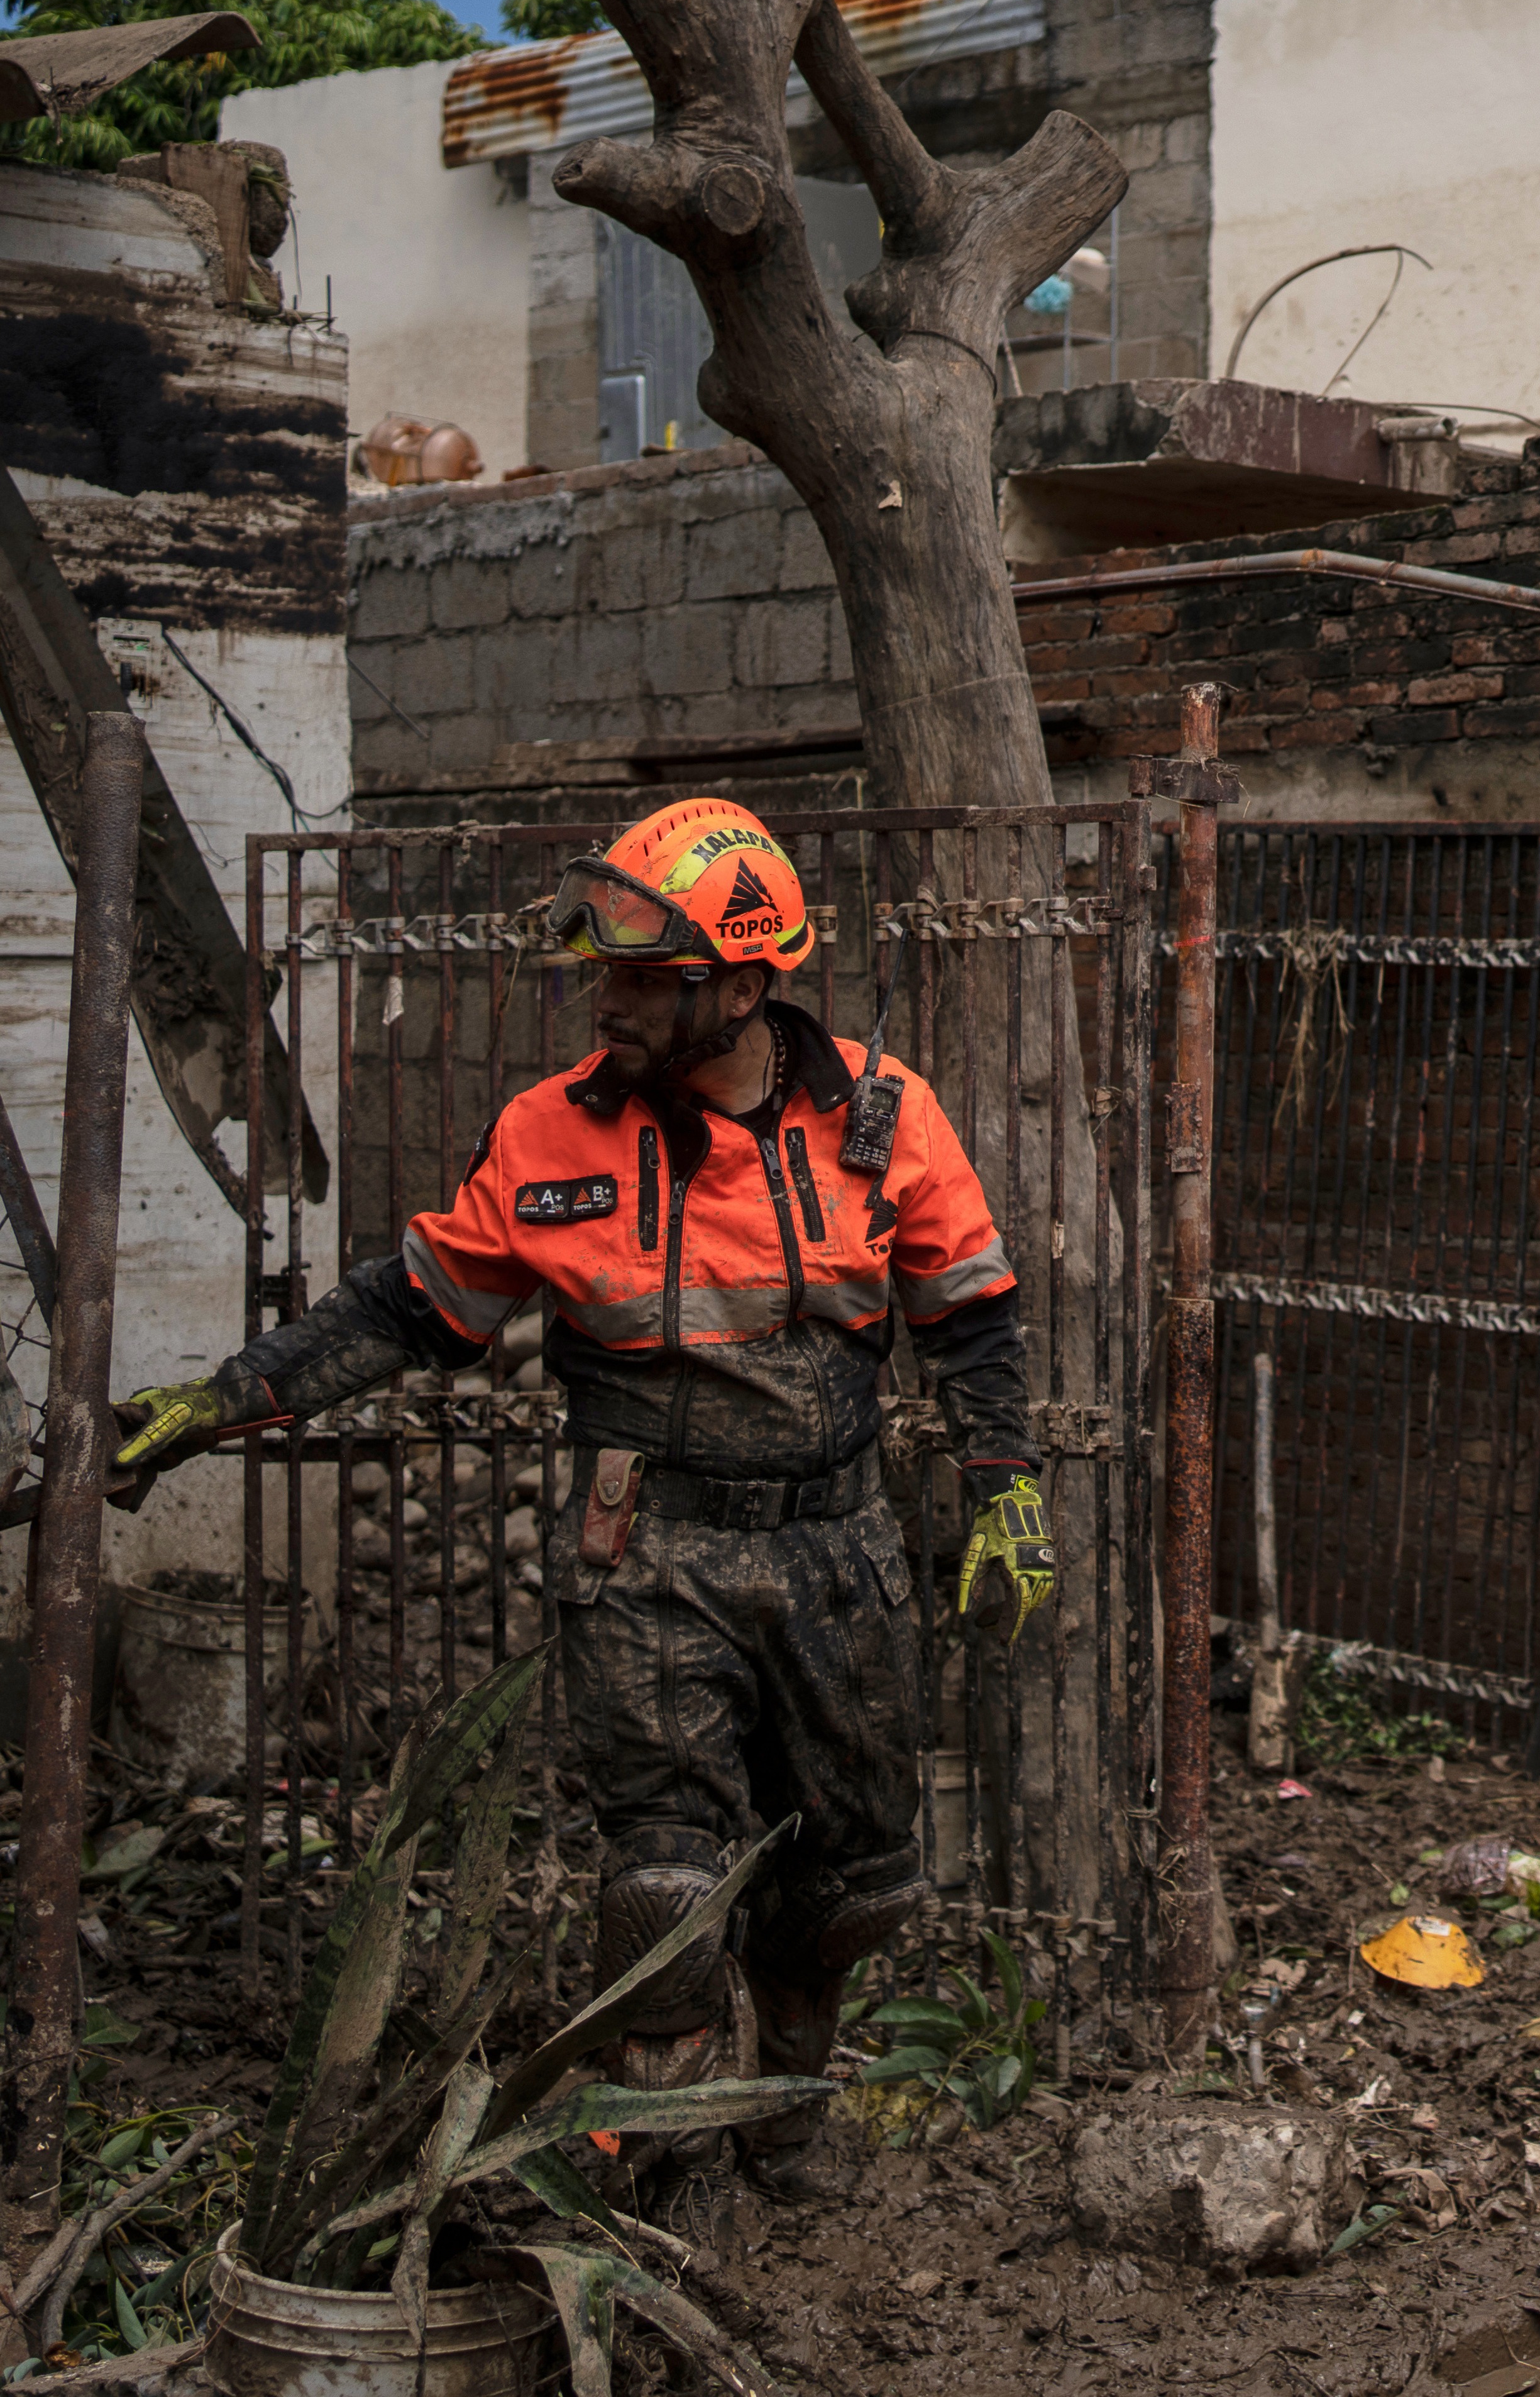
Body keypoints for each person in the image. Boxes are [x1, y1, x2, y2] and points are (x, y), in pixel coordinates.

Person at [107, 800, 1054, 2188]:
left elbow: (971, 1317)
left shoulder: (886, 1118)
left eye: (638, 977)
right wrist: (226, 1397)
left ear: (739, 984)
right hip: (647, 1552)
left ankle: (786, 2099)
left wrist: (1005, 1491)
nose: (600, 999)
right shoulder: (550, 1134)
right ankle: (665, 2167)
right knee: (660, 1881)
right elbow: (412, 1309)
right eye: (600, 969)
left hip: (836, 1554)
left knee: (855, 1878)